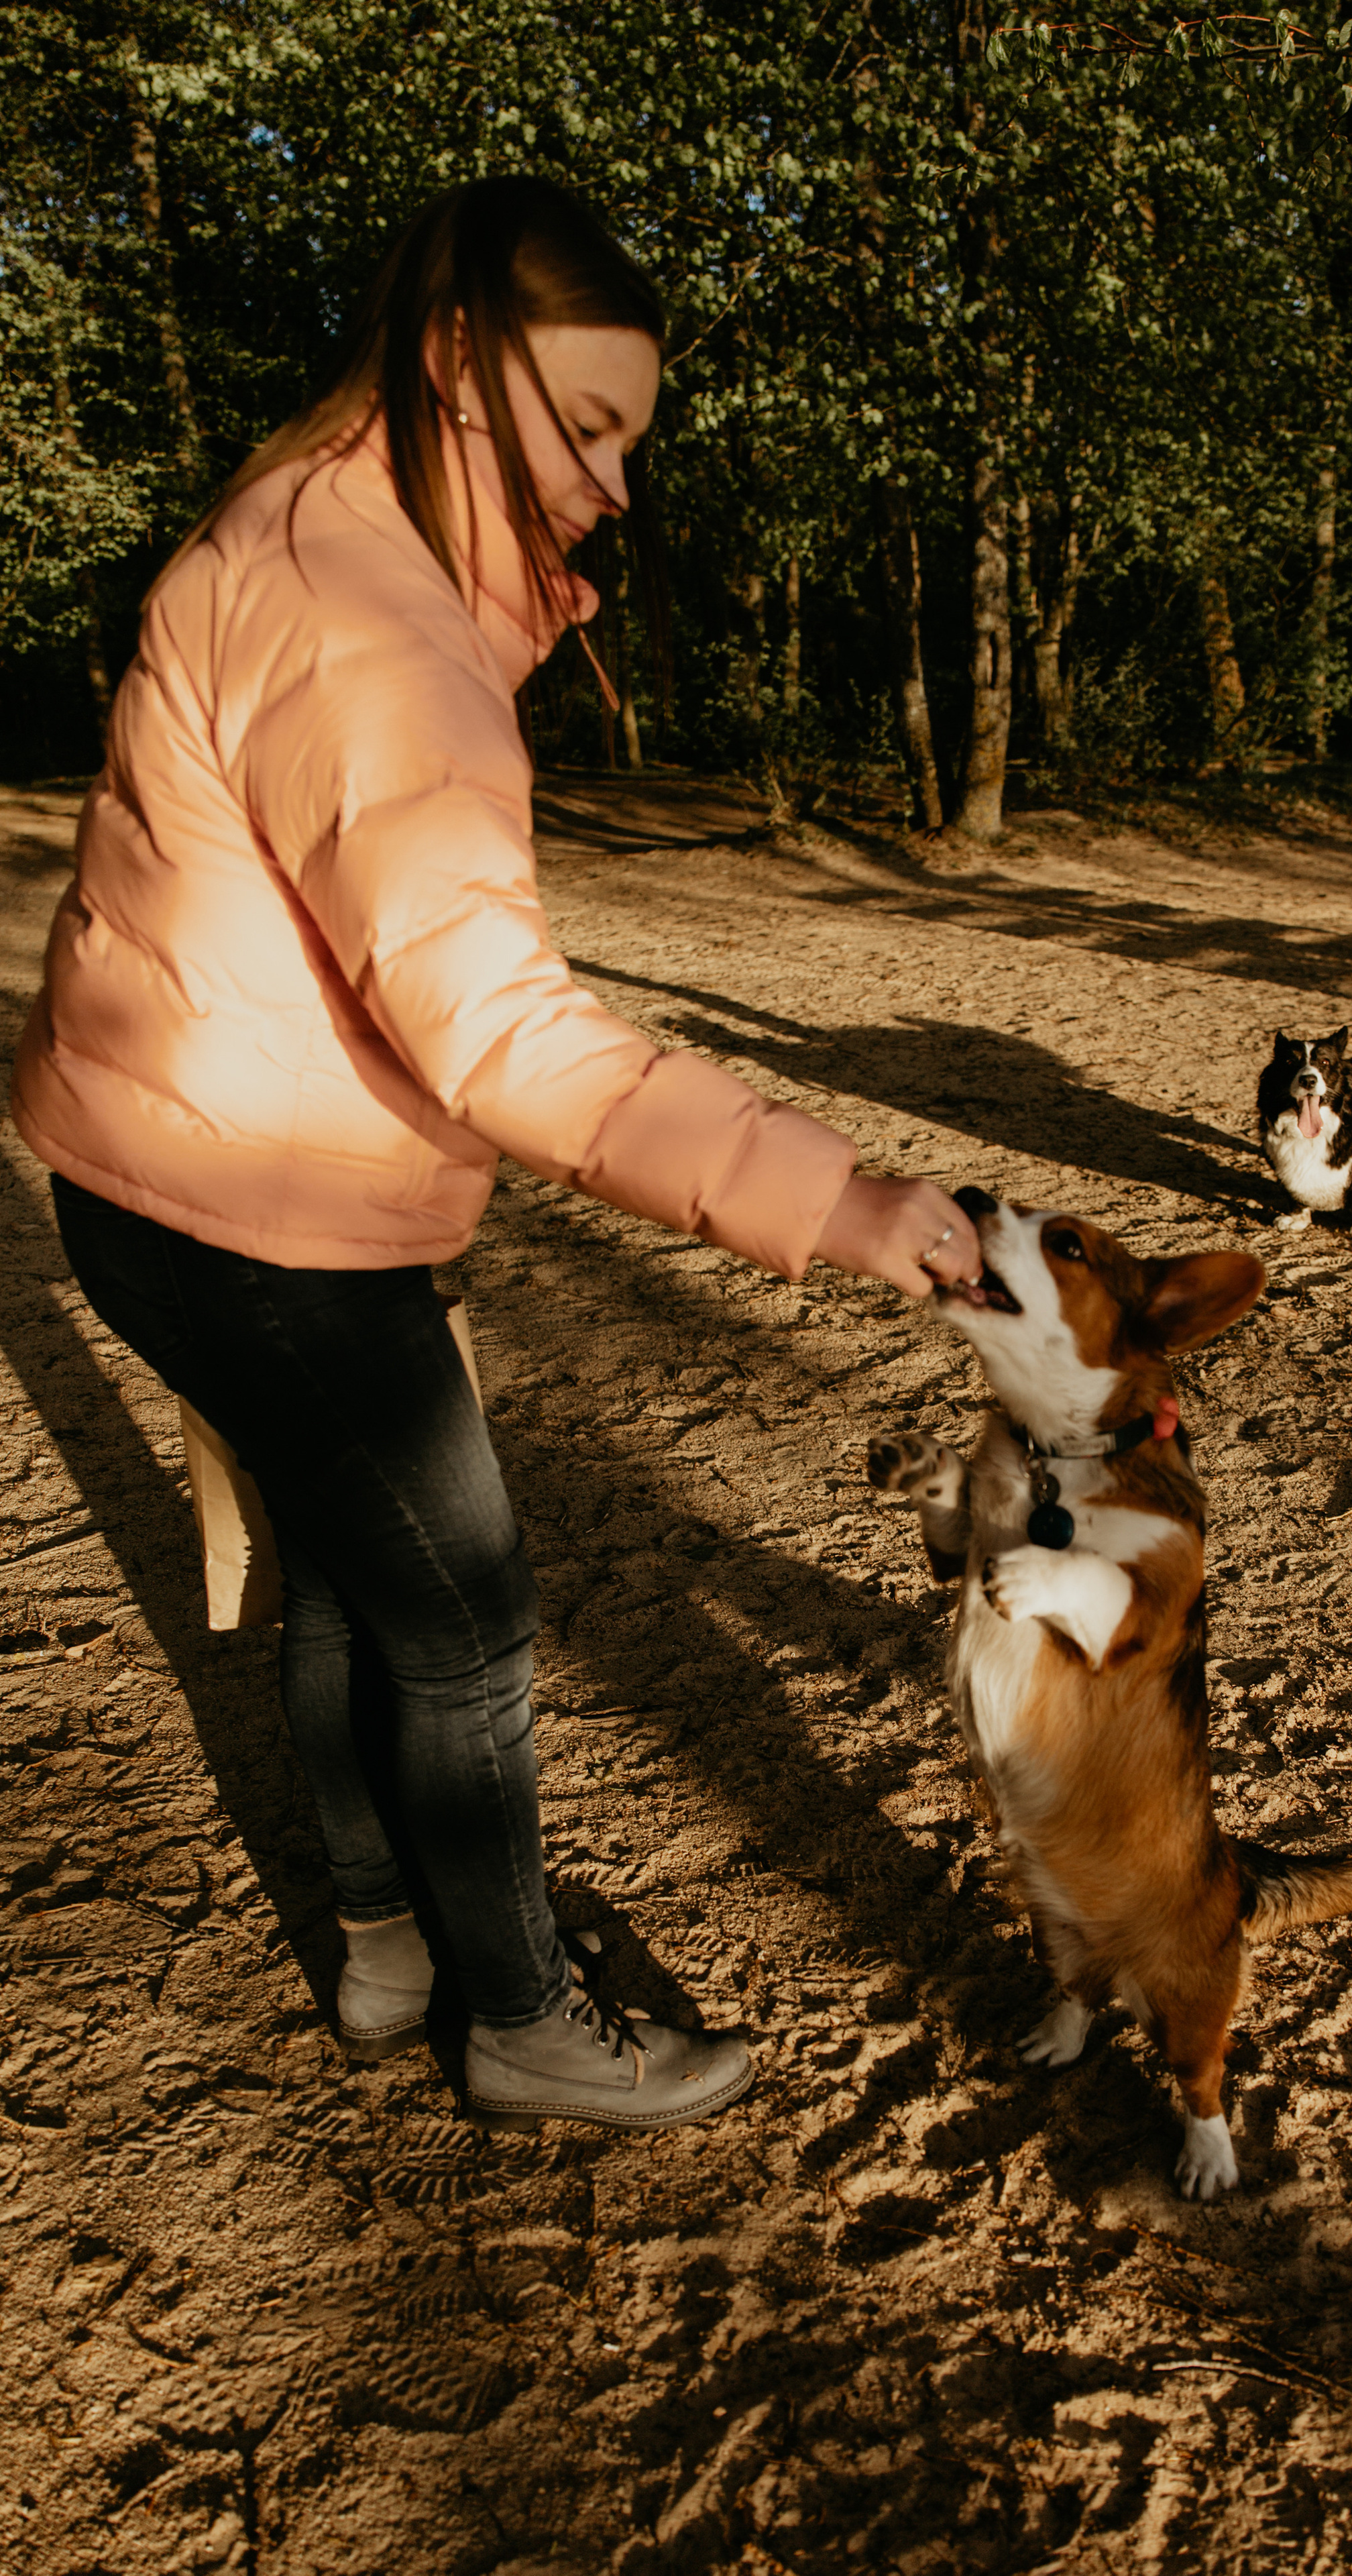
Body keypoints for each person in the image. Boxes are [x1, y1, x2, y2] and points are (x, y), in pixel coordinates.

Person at [8, 177, 980, 2135]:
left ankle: (384, 1943)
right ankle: (521, 2016)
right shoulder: (369, 623)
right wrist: (837, 1197)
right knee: (467, 1621)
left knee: (345, 1573)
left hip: (174, 1180)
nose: (615, 486)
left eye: (632, 442)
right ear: (460, 363)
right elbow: (500, 1032)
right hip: (261, 1218)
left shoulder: (321, 538)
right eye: (589, 428)